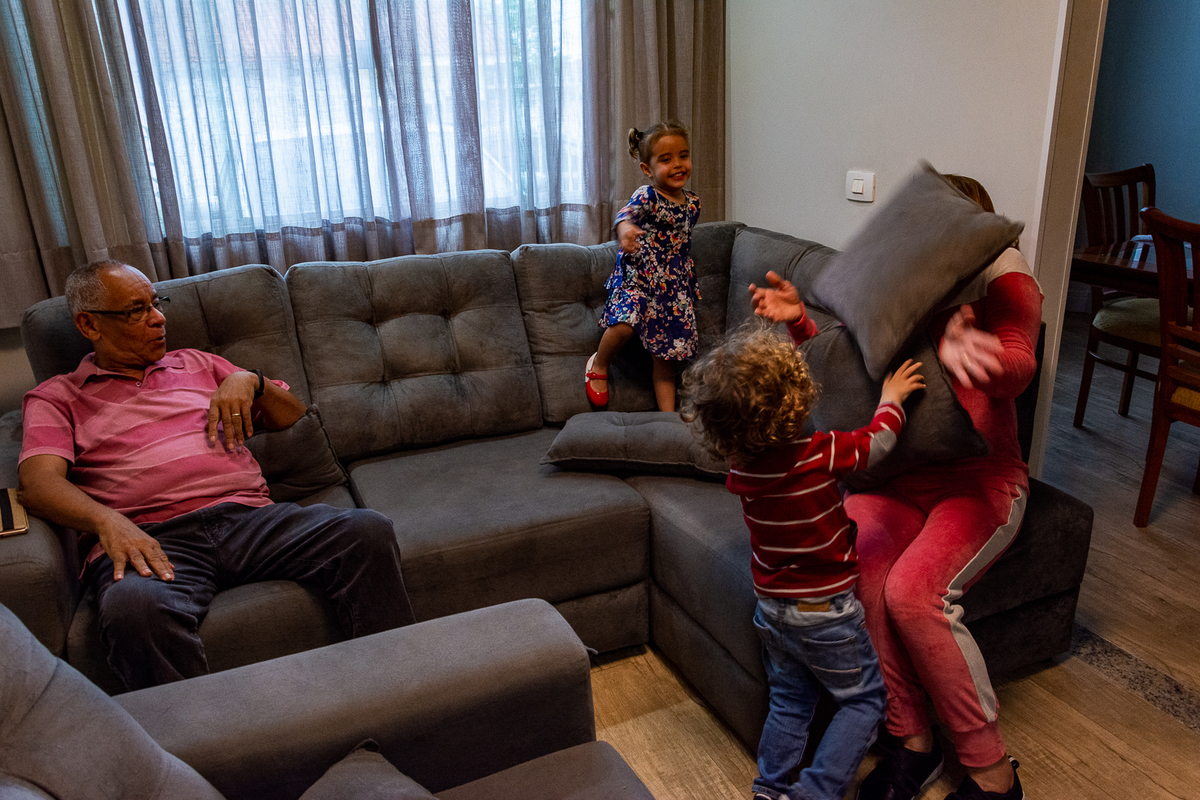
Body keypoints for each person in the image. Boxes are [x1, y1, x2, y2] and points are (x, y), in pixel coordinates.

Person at [750, 174, 1040, 800]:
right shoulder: (897, 287)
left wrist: (980, 353)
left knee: (913, 593)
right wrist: (801, 325)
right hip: (891, 476)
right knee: (862, 577)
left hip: (979, 481)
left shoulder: (1005, 280)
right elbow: (849, 369)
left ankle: (993, 775)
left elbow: (1019, 362)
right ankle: (913, 743)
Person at [17, 260, 416, 691]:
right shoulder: (56, 398)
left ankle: (396, 690)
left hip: (249, 520)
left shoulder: (199, 364)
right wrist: (107, 521)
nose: (158, 318)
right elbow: (39, 486)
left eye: (156, 303)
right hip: (151, 539)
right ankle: (203, 730)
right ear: (89, 324)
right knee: (134, 608)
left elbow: (292, 416)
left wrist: (251, 381)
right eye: (136, 310)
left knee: (366, 531)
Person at [681, 322, 925, 800]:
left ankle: (769, 789)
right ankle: (814, 793)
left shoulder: (742, 472)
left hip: (772, 611)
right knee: (865, 702)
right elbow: (877, 442)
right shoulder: (819, 454)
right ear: (795, 399)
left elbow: (759, 415)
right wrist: (891, 399)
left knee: (790, 701)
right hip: (825, 612)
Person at [586, 121, 701, 412]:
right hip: (639, 279)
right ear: (647, 169)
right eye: (666, 159)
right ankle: (599, 364)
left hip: (672, 290)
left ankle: (667, 418)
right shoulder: (647, 196)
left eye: (683, 156)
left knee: (666, 356)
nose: (678, 164)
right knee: (625, 324)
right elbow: (625, 216)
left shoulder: (693, 204)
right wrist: (625, 230)